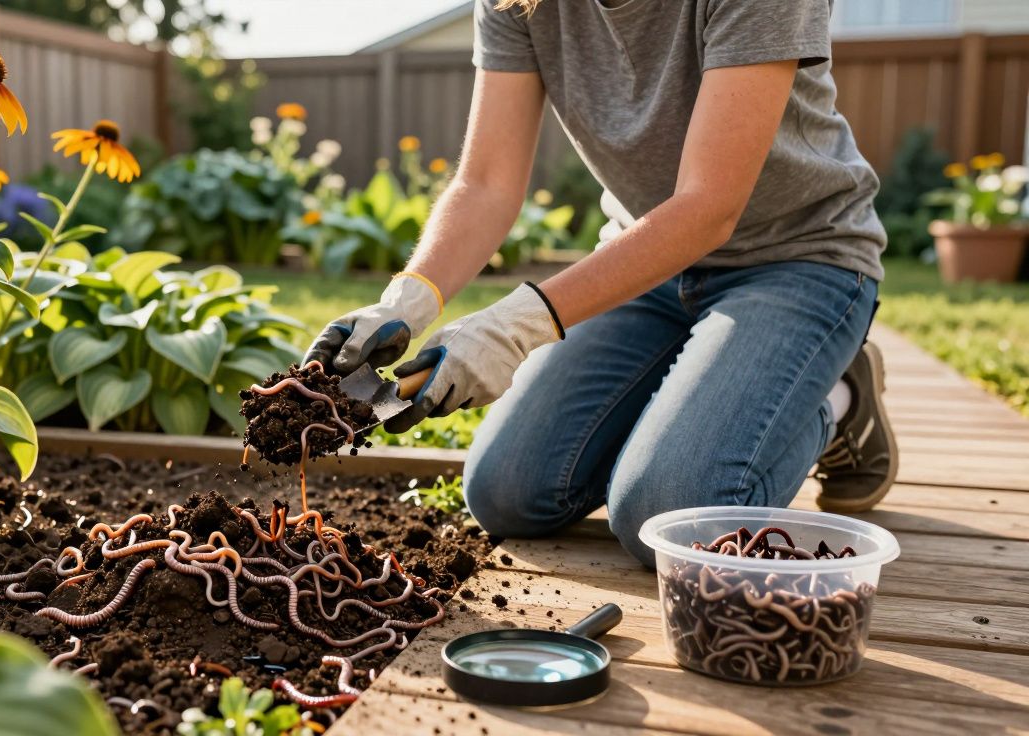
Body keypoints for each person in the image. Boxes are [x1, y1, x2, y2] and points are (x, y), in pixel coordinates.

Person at [303, 0, 897, 566]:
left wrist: (516, 326)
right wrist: (409, 298)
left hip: (797, 258)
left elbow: (709, 207)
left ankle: (839, 400)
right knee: (508, 491)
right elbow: (486, 183)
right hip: (644, 264)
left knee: (668, 514)